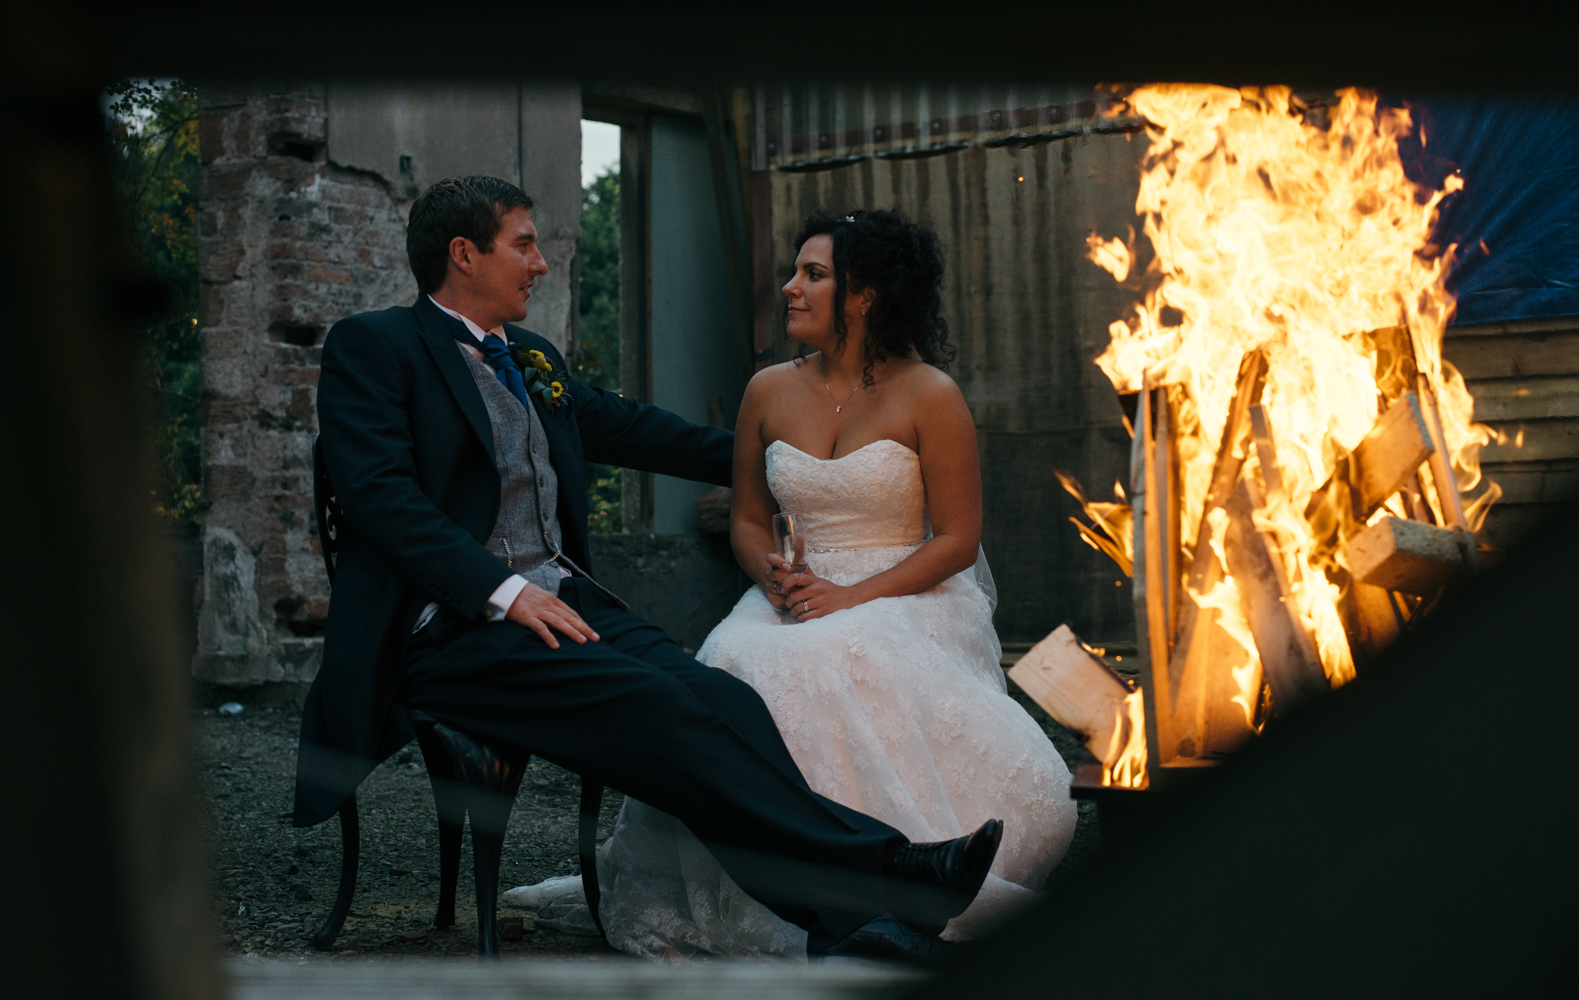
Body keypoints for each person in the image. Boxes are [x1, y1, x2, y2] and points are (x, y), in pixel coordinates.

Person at [291, 177, 1006, 960]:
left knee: (720, 698)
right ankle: (889, 874)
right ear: (463, 254)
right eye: (523, 244)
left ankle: (857, 921)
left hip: (563, 598)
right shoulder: (376, 345)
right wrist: (501, 593)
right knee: (657, 706)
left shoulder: (529, 358)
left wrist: (779, 449)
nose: (539, 263)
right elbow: (381, 500)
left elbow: (636, 430)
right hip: (444, 628)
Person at [511, 208, 1077, 958]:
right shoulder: (767, 390)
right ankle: (828, 892)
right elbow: (748, 519)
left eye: (812, 274)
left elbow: (956, 539)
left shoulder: (929, 395)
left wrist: (849, 596)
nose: (789, 288)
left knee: (836, 659)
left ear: (865, 294)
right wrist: (770, 574)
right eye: (794, 271)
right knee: (734, 663)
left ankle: (900, 866)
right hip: (791, 590)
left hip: (905, 588)